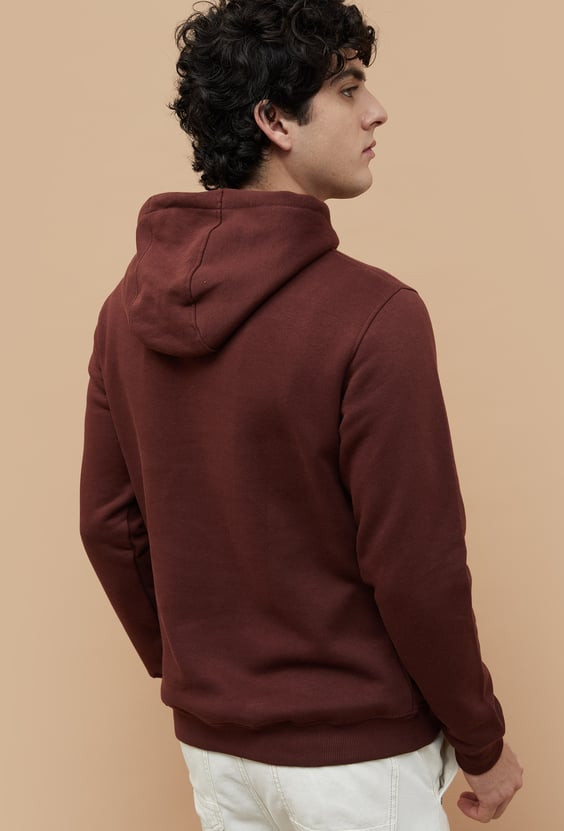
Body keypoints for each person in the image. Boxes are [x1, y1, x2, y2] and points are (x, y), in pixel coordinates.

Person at [79, 0, 523, 828]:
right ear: (274, 120)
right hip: (357, 759)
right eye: (347, 88)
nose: (375, 110)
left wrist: (201, 670)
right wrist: (482, 740)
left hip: (215, 752)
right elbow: (416, 566)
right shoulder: (375, 314)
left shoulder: (122, 310)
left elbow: (108, 525)